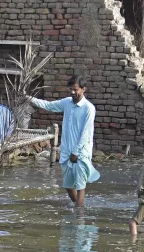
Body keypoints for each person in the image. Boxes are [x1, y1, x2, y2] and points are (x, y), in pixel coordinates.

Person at [27, 75, 99, 208]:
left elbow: (86, 133)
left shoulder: (89, 108)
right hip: (66, 150)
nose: (72, 92)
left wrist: (76, 152)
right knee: (67, 185)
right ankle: (79, 208)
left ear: (83, 89)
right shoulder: (67, 102)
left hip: (81, 152)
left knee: (80, 184)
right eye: (71, 89)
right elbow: (49, 105)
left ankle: (79, 215)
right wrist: (29, 99)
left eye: (75, 89)